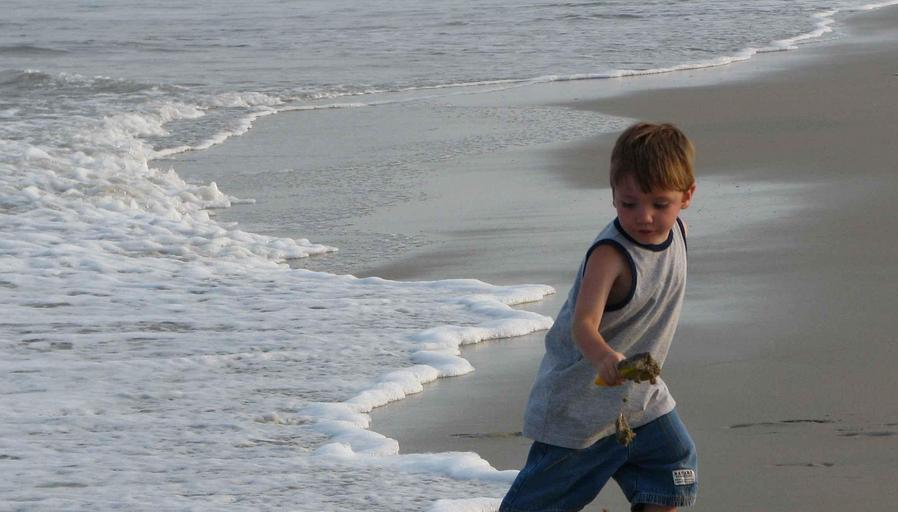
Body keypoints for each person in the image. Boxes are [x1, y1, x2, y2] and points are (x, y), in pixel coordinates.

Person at [500, 122, 698, 512]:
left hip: (640, 400)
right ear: (613, 196)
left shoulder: (678, 231)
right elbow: (583, 324)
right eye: (629, 203)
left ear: (687, 196)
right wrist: (605, 357)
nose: (644, 216)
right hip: (579, 409)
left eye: (660, 204)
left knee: (673, 468)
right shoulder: (610, 256)